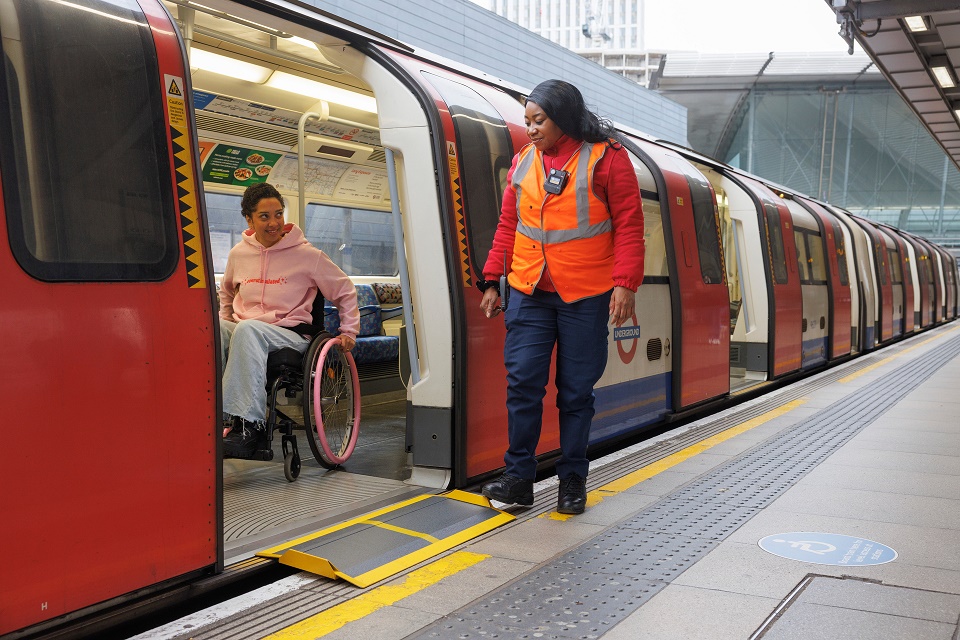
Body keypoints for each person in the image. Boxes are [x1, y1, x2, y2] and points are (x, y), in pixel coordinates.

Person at [478, 80, 645, 514]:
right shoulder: (522, 163)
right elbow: (508, 227)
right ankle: (518, 480)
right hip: (528, 290)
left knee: (575, 394)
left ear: (563, 118)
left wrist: (625, 283)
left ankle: (572, 480)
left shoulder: (607, 159)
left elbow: (629, 225)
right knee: (523, 385)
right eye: (527, 121)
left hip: (584, 294)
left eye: (539, 121)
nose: (530, 129)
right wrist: (492, 278)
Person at [219, 182, 359, 458]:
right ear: (249, 219)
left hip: (291, 334)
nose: (274, 223)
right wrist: (224, 322)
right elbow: (226, 295)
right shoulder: (238, 254)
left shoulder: (308, 256)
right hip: (247, 328)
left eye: (278, 214)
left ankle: (250, 427)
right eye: (264, 216)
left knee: (247, 330)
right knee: (210, 330)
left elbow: (345, 291)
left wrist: (349, 331)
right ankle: (212, 416)